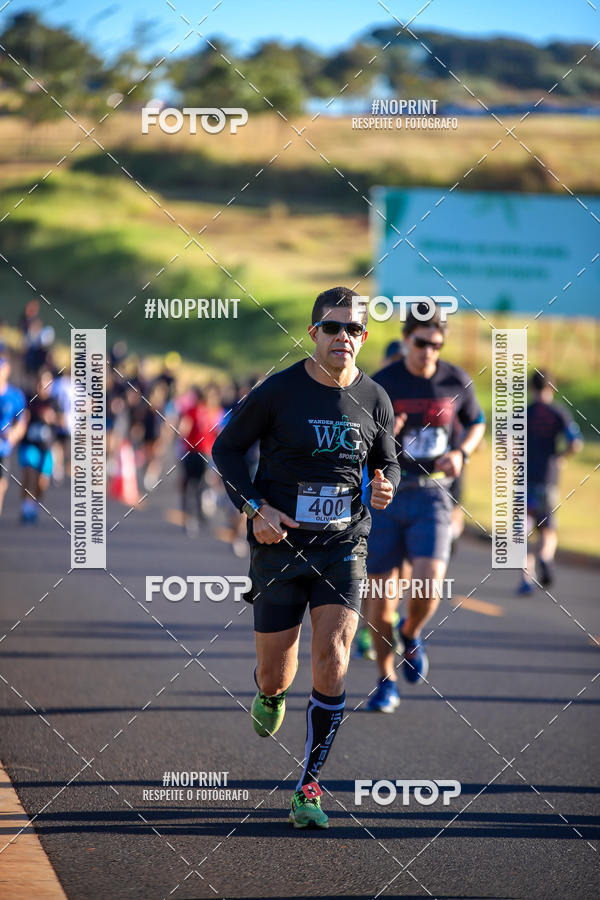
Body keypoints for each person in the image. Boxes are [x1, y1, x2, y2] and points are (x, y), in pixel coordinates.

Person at [212, 286, 400, 828]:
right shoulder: (279, 391)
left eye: (354, 329)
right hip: (280, 545)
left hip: (344, 544)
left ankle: (309, 787)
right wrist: (255, 507)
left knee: (334, 656)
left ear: (364, 336)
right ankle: (269, 693)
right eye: (333, 327)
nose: (344, 337)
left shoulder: (376, 398)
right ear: (314, 332)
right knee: (277, 673)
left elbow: (388, 462)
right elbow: (226, 449)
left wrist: (385, 485)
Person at [365, 303, 485, 712]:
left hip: (433, 493)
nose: (428, 351)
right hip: (387, 493)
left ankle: (411, 632)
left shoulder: (456, 379)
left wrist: (462, 453)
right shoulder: (382, 383)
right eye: (421, 343)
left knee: (428, 585)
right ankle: (386, 681)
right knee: (381, 600)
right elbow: (357, 437)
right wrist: (385, 435)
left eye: (436, 344)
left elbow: (477, 422)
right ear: (406, 340)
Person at [516, 369, 583, 594]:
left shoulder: (524, 413)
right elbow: (575, 443)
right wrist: (560, 458)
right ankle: (545, 557)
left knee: (523, 530)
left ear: (531, 388)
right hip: (548, 479)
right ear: (552, 387)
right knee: (548, 529)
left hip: (525, 480)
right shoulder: (558, 413)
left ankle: (526, 579)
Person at [18, 368, 62, 523]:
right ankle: (25, 507)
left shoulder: (54, 402)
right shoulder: (29, 400)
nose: (43, 387)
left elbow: (62, 422)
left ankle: (34, 506)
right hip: (29, 445)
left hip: (46, 447)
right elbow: (20, 418)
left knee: (42, 482)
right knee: (29, 474)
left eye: (47, 384)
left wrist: (53, 418)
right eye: (41, 383)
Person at [0, 347, 27, 516]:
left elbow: (21, 423)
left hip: (3, 449)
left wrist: (14, 434)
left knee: (1, 486)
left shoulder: (15, 395)